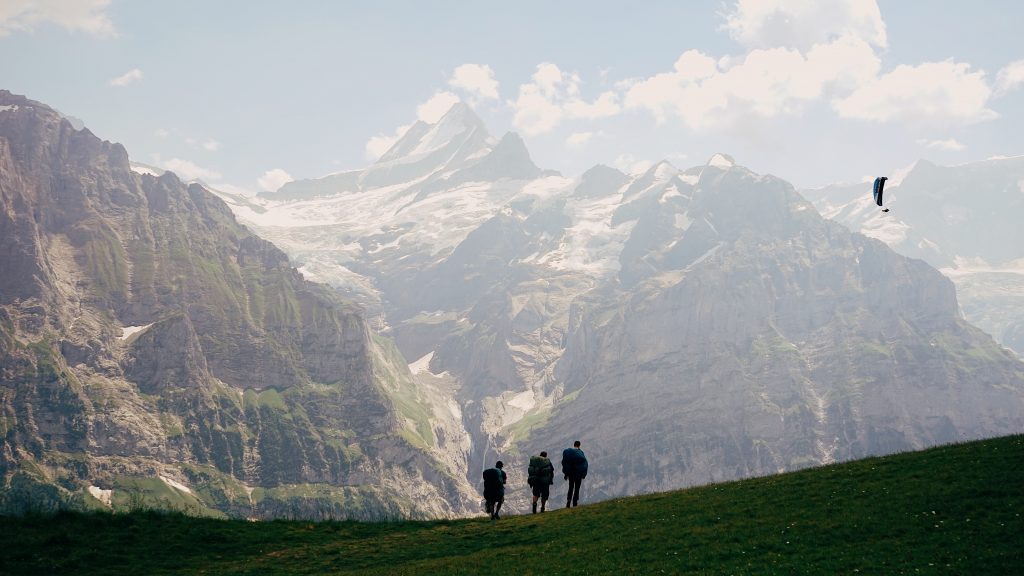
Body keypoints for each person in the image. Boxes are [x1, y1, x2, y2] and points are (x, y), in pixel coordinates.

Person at [561, 440, 588, 508]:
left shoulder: (569, 453)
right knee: (577, 488)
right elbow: (584, 464)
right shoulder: (580, 453)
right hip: (578, 474)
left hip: (571, 474)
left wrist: (566, 474)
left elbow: (565, 464)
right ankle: (575, 503)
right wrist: (583, 474)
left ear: (574, 445)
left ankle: (568, 501)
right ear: (579, 445)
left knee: (571, 487)